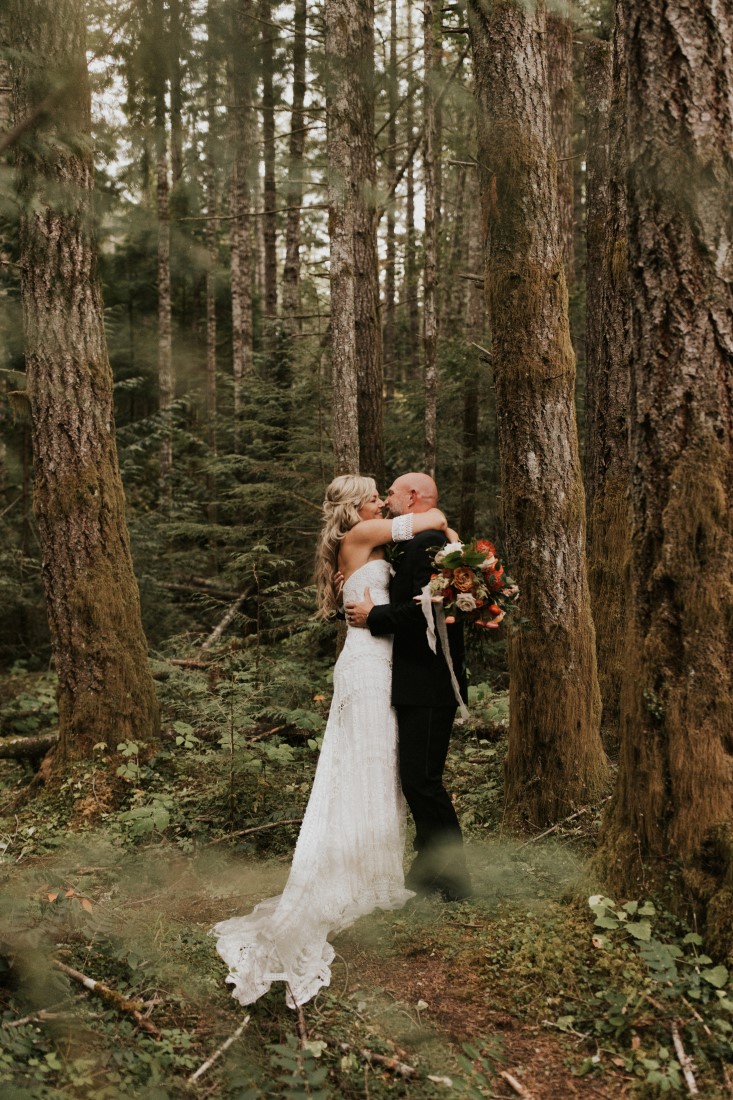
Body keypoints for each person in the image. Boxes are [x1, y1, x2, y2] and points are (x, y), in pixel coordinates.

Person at [212, 474, 449, 1008]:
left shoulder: (370, 540)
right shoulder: (359, 539)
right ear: (353, 508)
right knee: (365, 767)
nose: (378, 502)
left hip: (381, 665)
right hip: (368, 668)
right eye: (371, 497)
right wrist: (441, 525)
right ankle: (351, 880)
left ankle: (374, 875)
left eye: (382, 495)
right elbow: (431, 519)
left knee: (377, 769)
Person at [345, 472, 471, 902]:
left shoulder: (427, 543)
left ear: (412, 496)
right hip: (413, 682)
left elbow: (424, 615)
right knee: (417, 780)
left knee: (422, 782)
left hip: (429, 683)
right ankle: (429, 871)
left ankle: (454, 880)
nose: (387, 501)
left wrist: (375, 617)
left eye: (393, 494)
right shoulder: (421, 542)